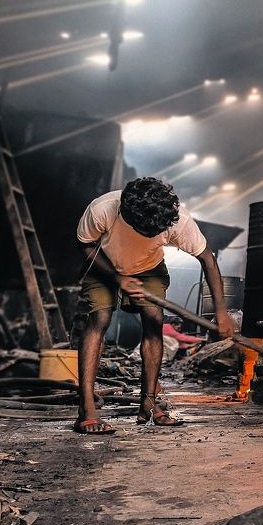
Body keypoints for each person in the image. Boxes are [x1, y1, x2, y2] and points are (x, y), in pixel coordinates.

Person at [73, 177, 236, 434]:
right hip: (103, 265)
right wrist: (117, 278)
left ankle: (147, 407)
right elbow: (86, 245)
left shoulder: (177, 219)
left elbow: (208, 260)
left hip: (149, 269)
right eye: (144, 231)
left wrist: (221, 312)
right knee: (99, 320)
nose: (152, 235)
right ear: (125, 214)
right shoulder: (102, 209)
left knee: (154, 323)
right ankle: (87, 411)